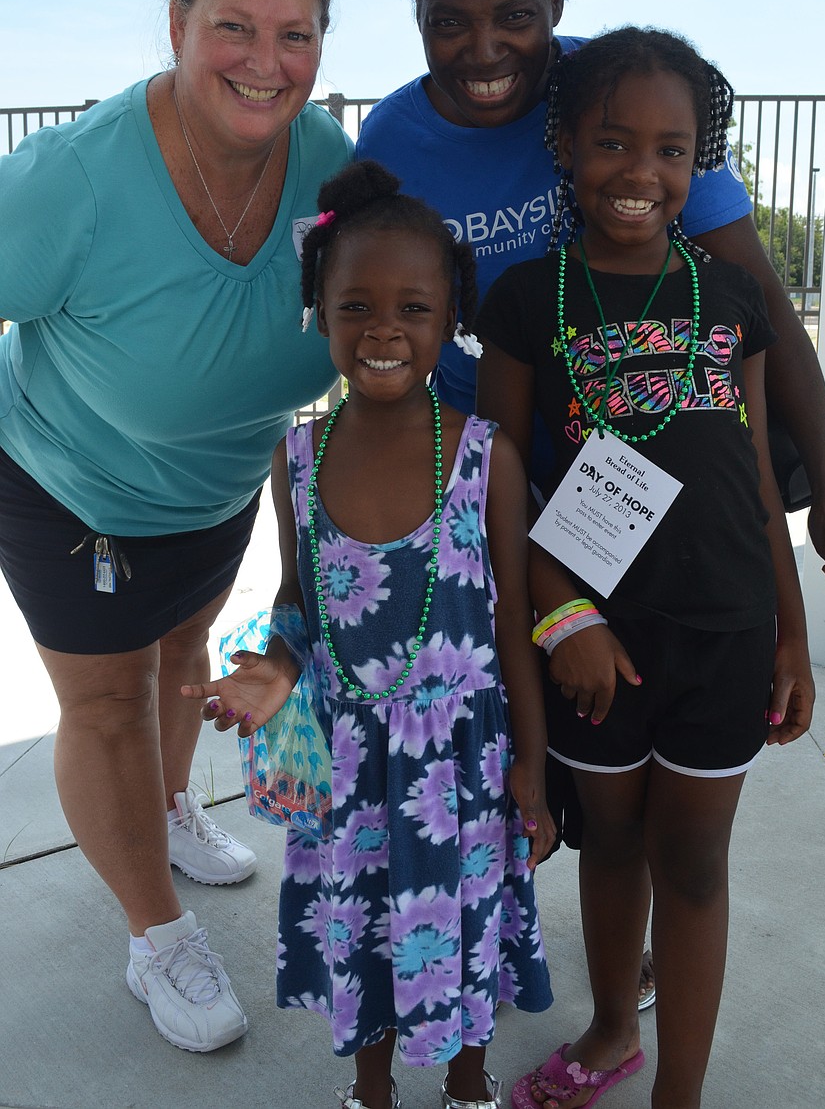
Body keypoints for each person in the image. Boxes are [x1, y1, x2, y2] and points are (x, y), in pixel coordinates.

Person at [0, 0, 352, 1051]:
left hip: (214, 490)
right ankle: (156, 934)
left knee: (183, 659)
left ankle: (166, 807)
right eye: (234, 28)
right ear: (177, 22)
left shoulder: (331, 166)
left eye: (294, 35)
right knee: (104, 704)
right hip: (70, 488)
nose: (266, 63)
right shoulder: (72, 177)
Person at [475, 26, 816, 1109]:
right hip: (594, 646)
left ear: (697, 163)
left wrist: (793, 631)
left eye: (671, 149)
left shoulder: (733, 295)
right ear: (566, 146)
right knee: (610, 840)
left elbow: (758, 471)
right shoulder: (527, 300)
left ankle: (682, 1091)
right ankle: (615, 1023)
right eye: (614, 141)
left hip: (724, 629)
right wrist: (561, 613)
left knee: (697, 863)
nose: (642, 171)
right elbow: (500, 484)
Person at [182, 159, 555, 1109]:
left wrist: (534, 773)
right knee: (366, 936)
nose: (384, 329)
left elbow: (512, 629)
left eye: (414, 308)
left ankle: (470, 1082)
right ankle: (372, 1088)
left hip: (460, 773)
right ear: (320, 309)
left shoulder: (485, 456)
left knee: (462, 931)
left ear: (449, 316)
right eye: (355, 306)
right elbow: (297, 606)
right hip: (349, 771)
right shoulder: (294, 461)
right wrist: (270, 668)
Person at [356, 0, 825, 589]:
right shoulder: (392, 145)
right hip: (497, 475)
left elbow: (761, 299)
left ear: (556, 0)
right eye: (449, 22)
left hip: (653, 469)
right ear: (419, 15)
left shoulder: (630, 101)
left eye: (517, 15)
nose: (486, 49)